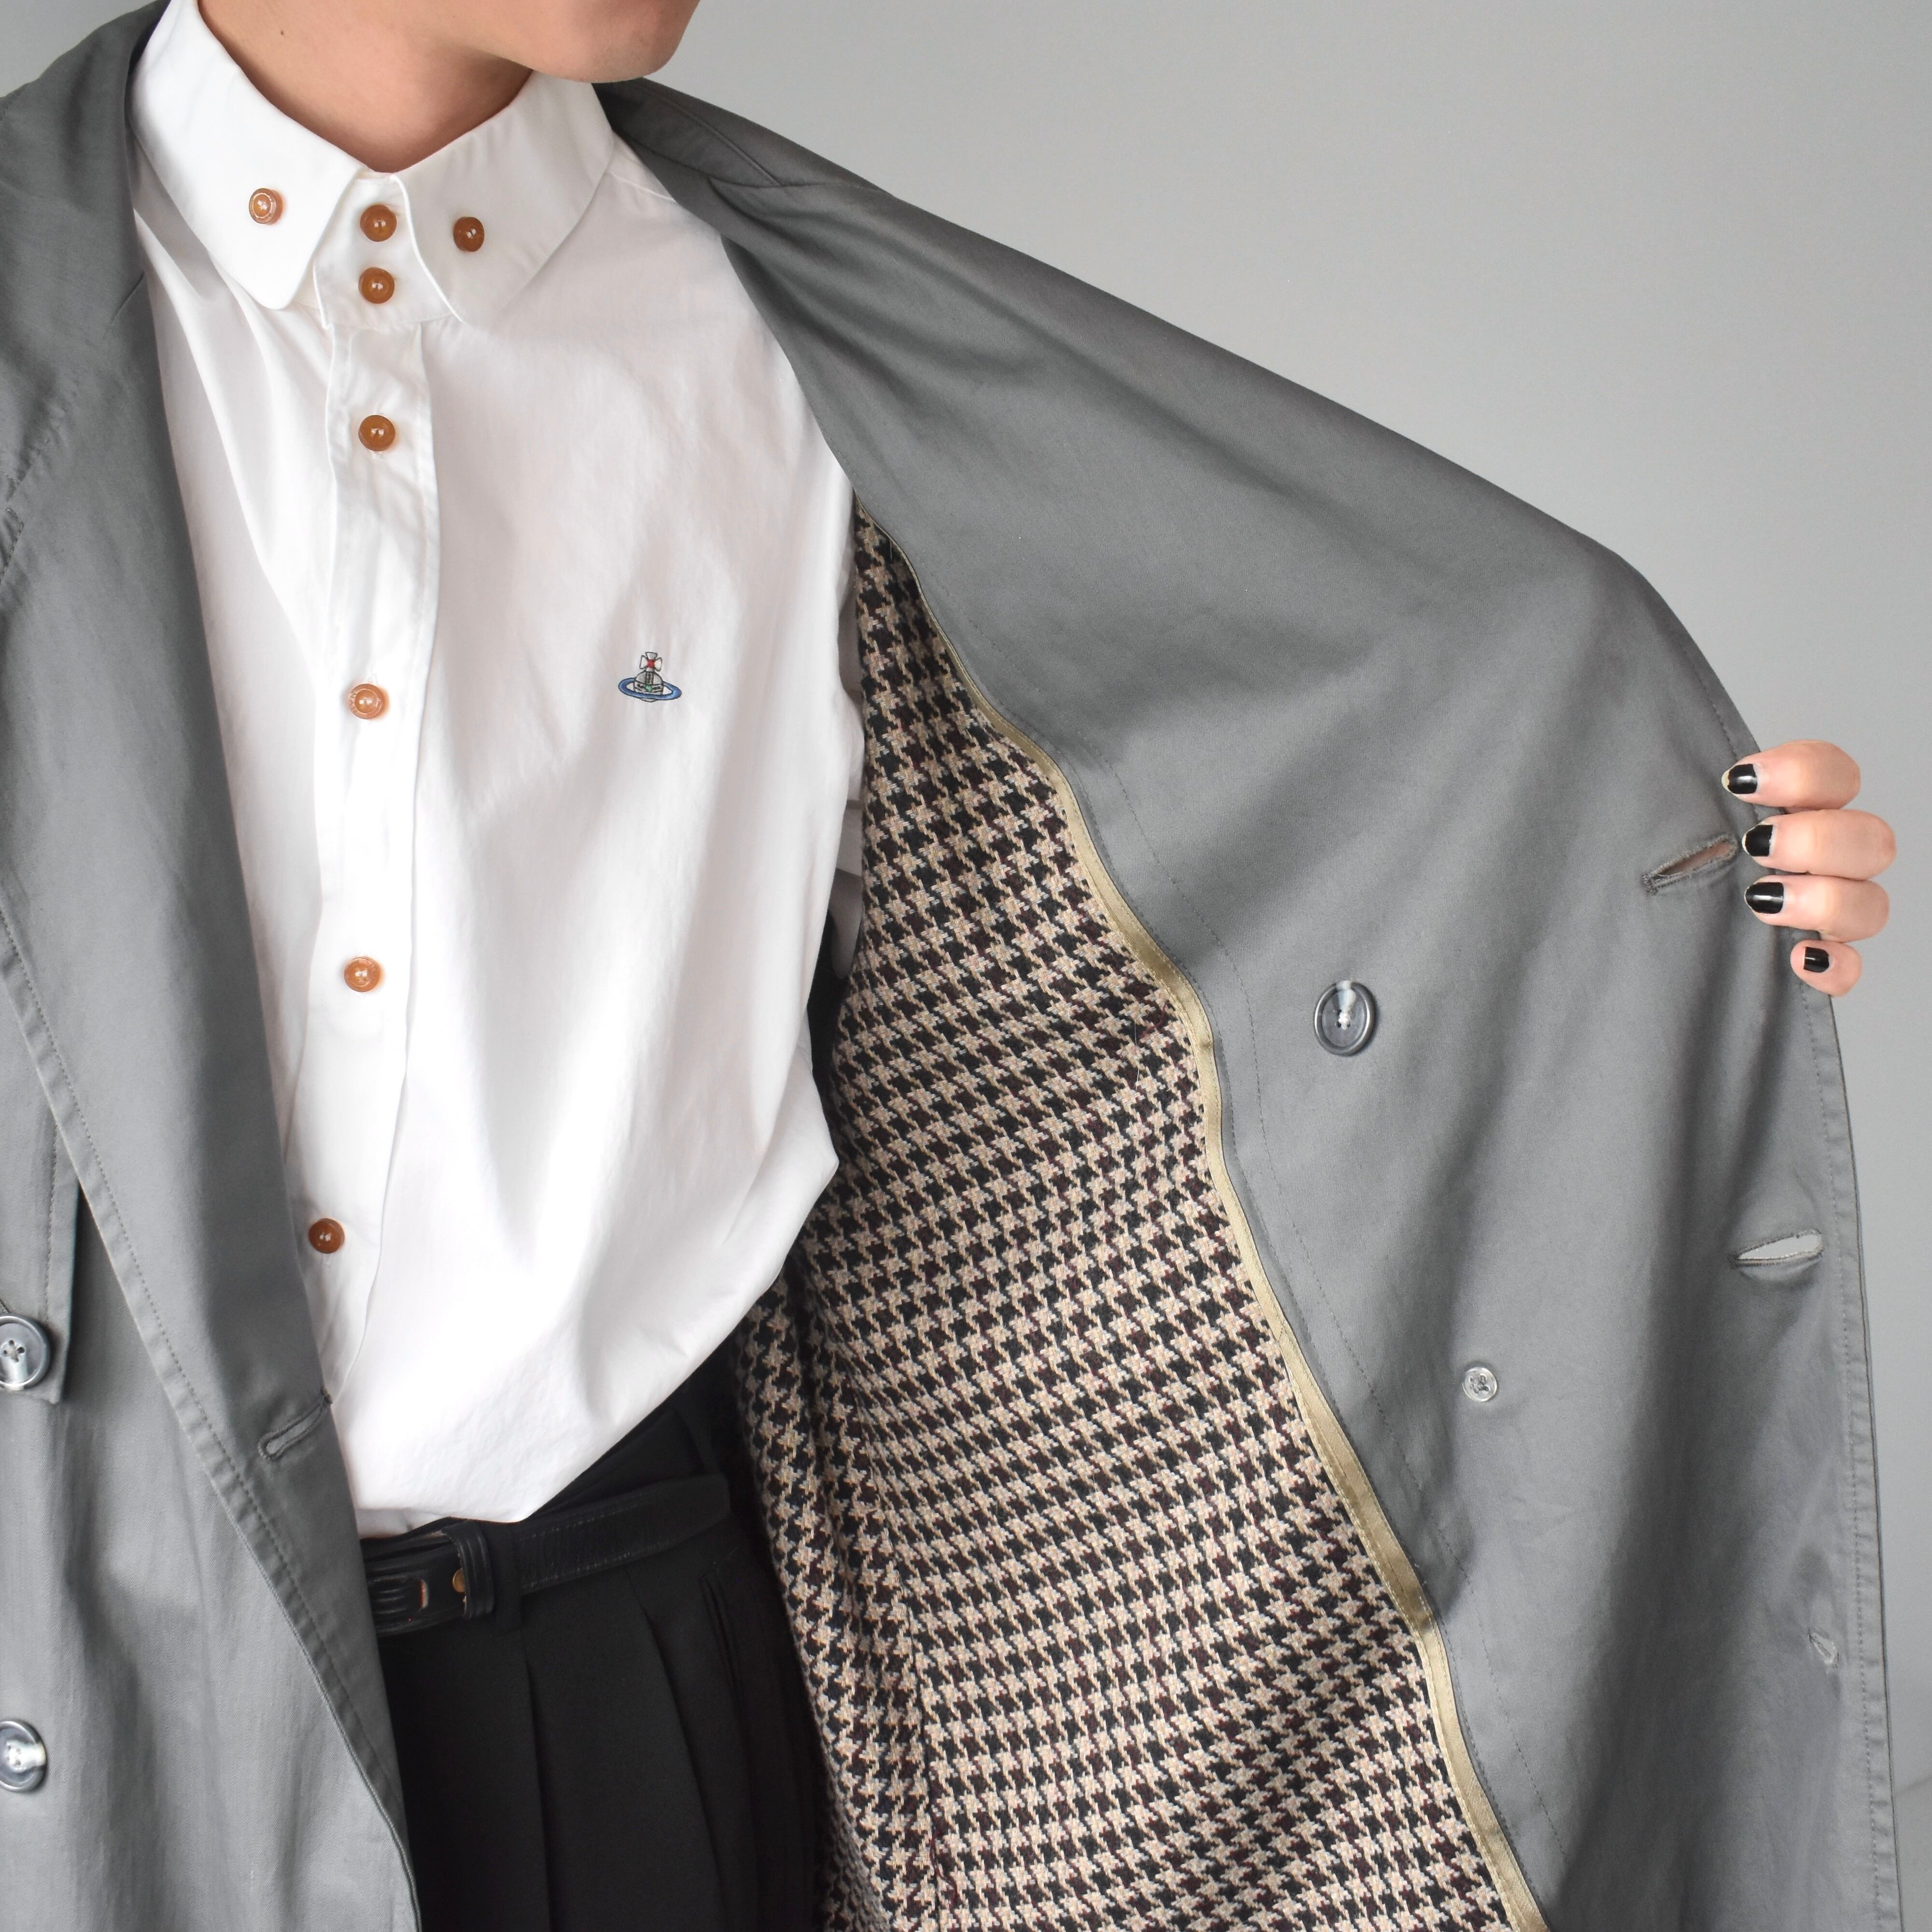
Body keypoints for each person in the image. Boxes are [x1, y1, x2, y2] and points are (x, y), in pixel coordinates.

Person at [0, 1, 1903, 1928]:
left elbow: (1296, 880)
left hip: (623, 1705)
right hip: (72, 1687)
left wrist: (1625, 898)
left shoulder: (797, 364)